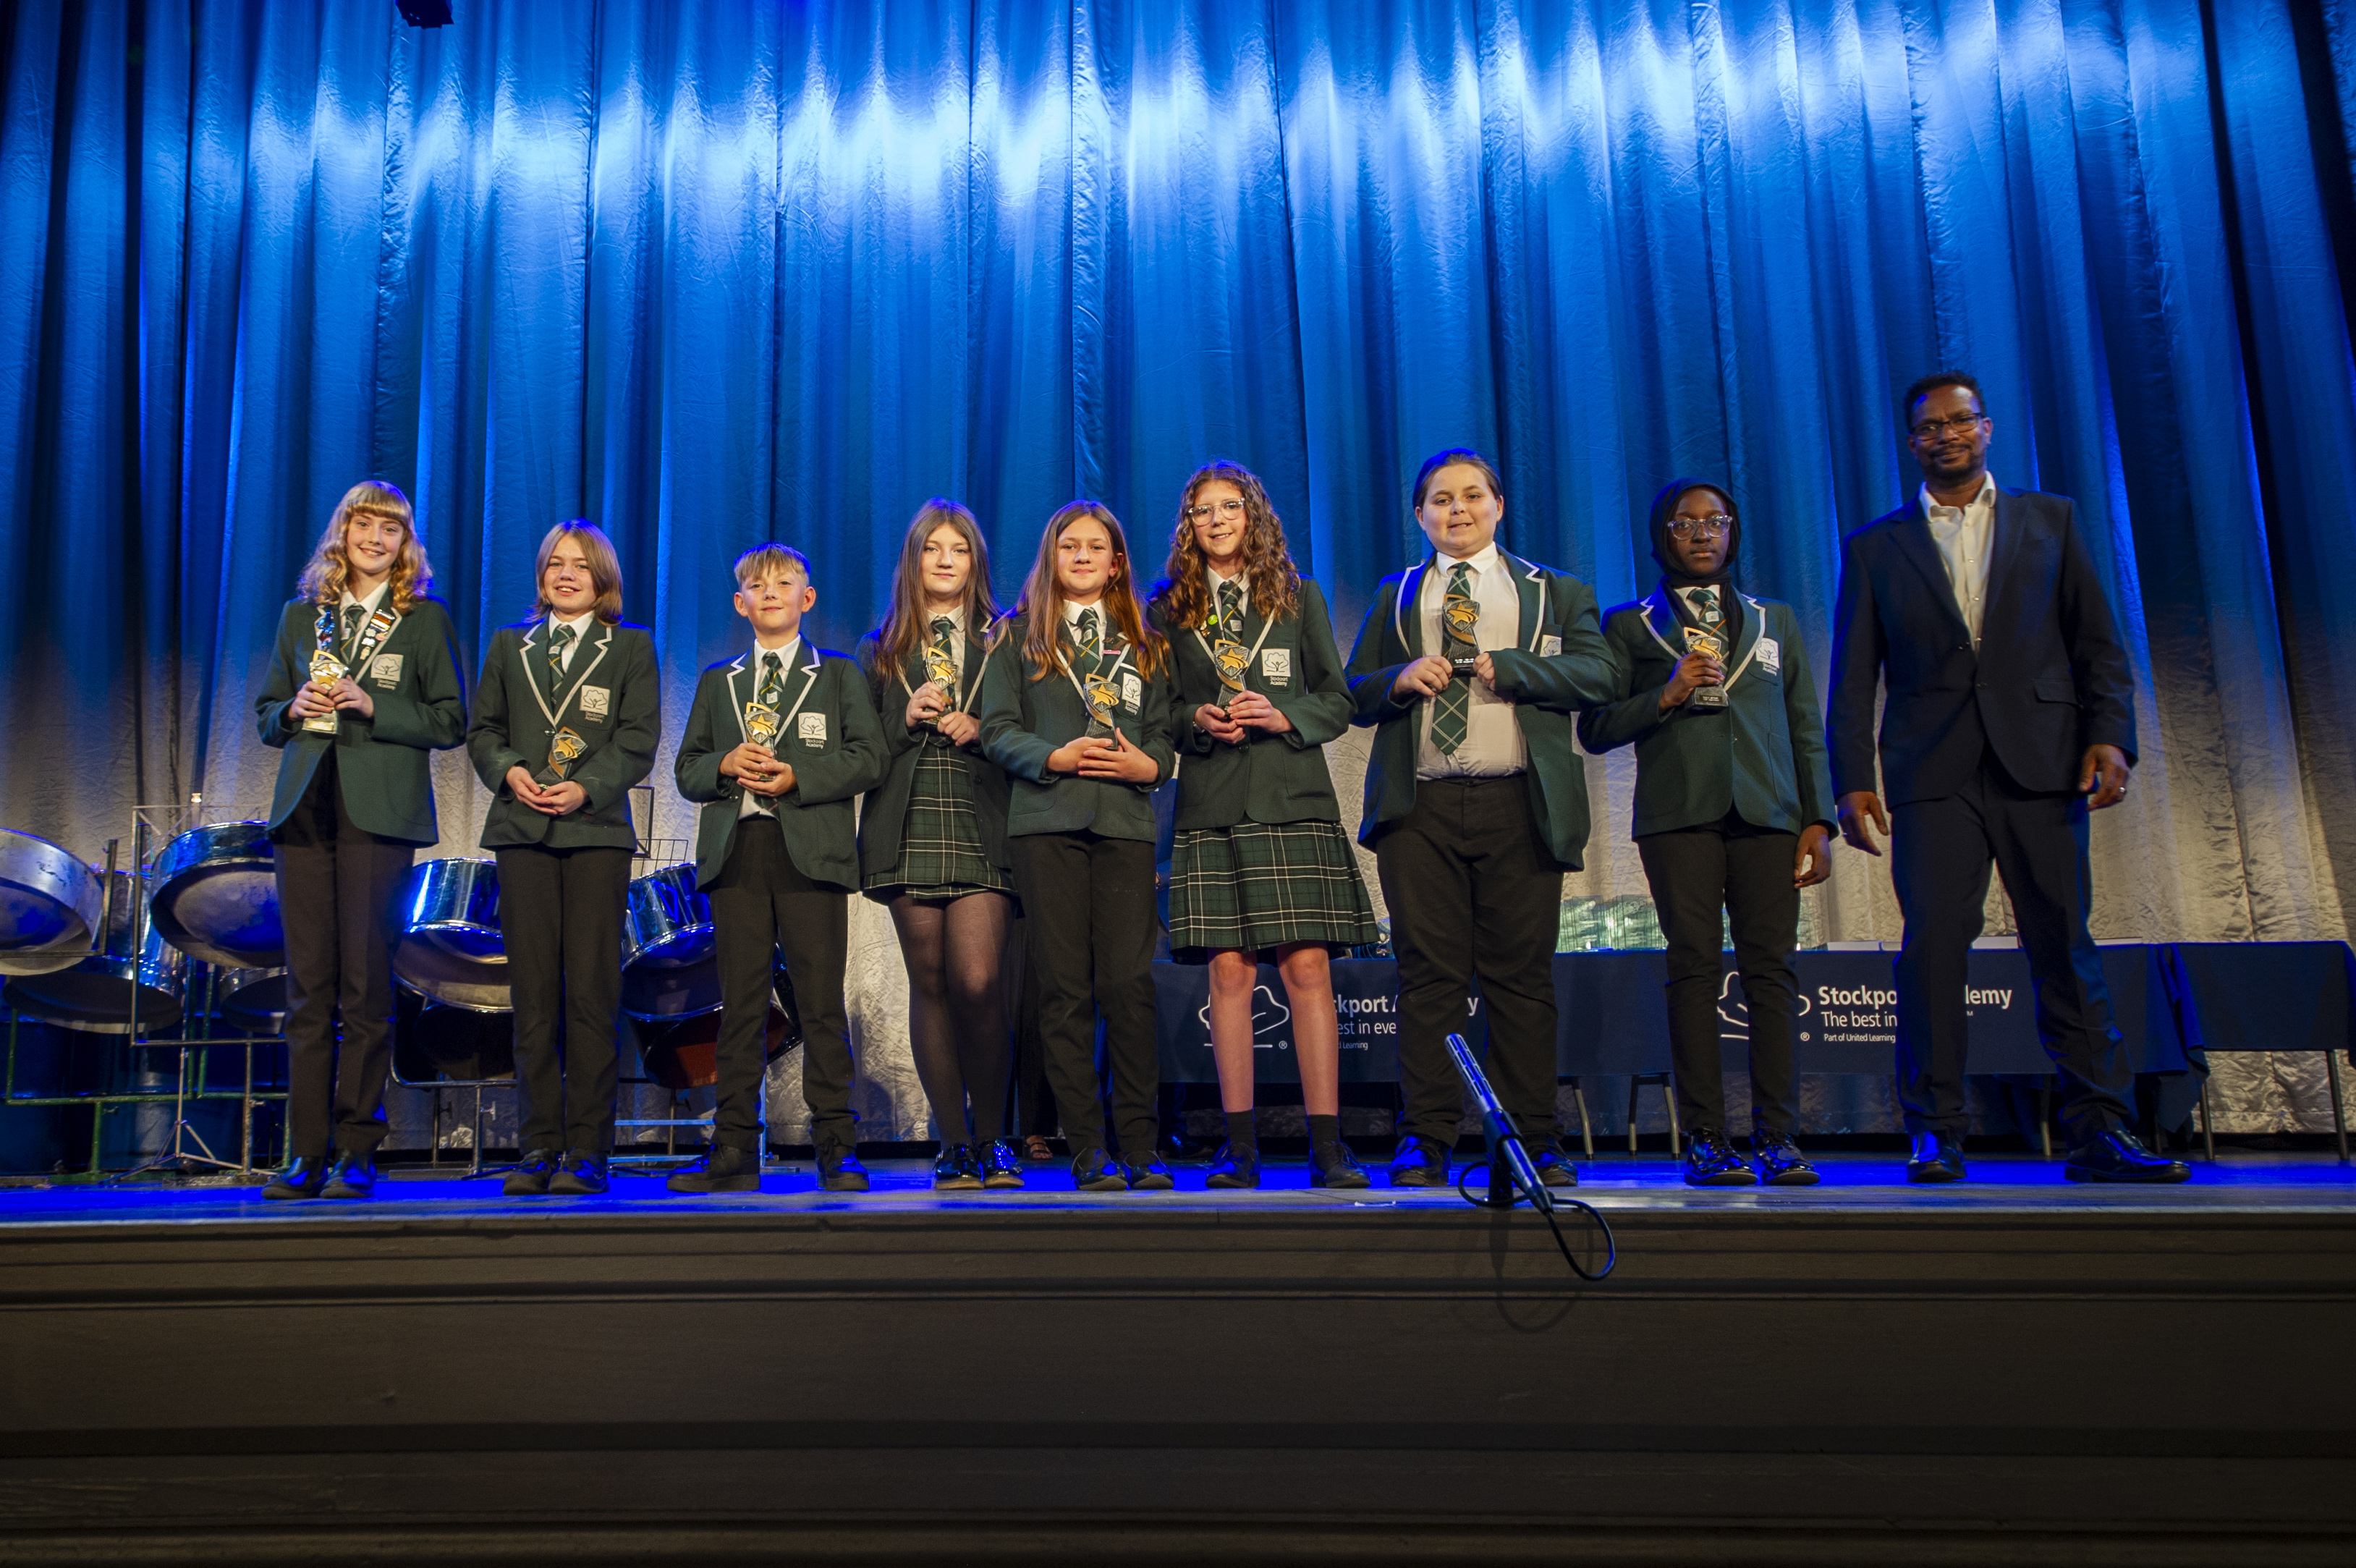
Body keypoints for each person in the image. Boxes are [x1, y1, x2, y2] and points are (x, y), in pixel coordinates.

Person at [1827, 370, 2187, 1183]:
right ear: (1911, 442)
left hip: (2042, 761)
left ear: (1985, 428)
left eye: (1960, 420)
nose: (1946, 435)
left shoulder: (2051, 518)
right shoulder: (1876, 546)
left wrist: (2112, 738)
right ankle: (1934, 1130)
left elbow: (2098, 645)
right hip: (1932, 771)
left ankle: (2101, 1128)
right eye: (1930, 427)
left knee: (2063, 943)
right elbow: (1852, 676)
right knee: (1931, 951)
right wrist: (1850, 778)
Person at [1344, 449, 1618, 1189]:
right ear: (1419, 514)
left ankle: (1533, 1137)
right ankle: (1425, 1136)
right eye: (1440, 499)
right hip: (1421, 808)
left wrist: (1518, 667)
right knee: (1426, 978)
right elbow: (1353, 692)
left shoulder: (1554, 590)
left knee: (1520, 979)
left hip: (1519, 801)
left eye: (1471, 495)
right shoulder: (1398, 593)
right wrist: (1399, 678)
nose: (1456, 509)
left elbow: (1601, 674)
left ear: (1499, 505)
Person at [1577, 480, 1835, 1187]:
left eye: (1714, 521)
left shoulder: (1774, 618)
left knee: (1771, 971)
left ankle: (1778, 1136)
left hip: (1768, 815)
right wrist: (1664, 693)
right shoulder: (1628, 625)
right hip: (1678, 816)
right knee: (1693, 968)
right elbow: (1595, 727)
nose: (1700, 533)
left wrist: (1818, 819)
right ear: (1661, 534)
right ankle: (1705, 1138)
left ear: (1732, 532)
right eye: (1684, 522)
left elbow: (1805, 725)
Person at [1146, 461, 1378, 1189]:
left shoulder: (1298, 596)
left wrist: (1284, 715)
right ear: (1188, 525)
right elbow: (1162, 713)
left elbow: (1336, 699)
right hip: (1213, 801)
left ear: (1253, 516)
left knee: (1308, 968)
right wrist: (1197, 719)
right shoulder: (1168, 609)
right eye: (1203, 510)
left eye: (1230, 506)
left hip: (1291, 798)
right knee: (1228, 971)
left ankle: (1327, 1145)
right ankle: (1239, 1146)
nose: (1217, 520)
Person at [254, 480, 467, 1200]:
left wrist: (375, 704)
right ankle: (305, 1151)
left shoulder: (424, 620)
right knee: (307, 989)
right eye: (364, 525)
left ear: (406, 543)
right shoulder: (301, 616)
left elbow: (450, 720)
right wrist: (292, 708)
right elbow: (265, 715)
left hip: (379, 816)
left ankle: (356, 1148)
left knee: (366, 986)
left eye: (390, 529)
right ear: (341, 534)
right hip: (305, 812)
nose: (375, 539)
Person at [665, 544, 888, 1194]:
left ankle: (836, 1144)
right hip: (739, 850)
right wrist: (723, 765)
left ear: (806, 598)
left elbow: (869, 758)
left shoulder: (837, 674)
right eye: (757, 586)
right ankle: (734, 1147)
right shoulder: (719, 681)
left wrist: (800, 777)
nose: (770, 593)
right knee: (740, 1005)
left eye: (784, 583)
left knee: (819, 1003)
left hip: (810, 851)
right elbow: (687, 769)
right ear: (740, 603)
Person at [978, 501, 1178, 1191]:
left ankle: (1142, 1146)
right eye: (1071, 545)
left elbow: (1163, 737)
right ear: (1051, 556)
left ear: (1117, 562)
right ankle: (1087, 1147)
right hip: (1047, 822)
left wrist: (1150, 766)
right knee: (1063, 989)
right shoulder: (1015, 636)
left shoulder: (1146, 642)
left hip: (1124, 824)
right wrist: (1053, 757)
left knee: (1128, 985)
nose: (1084, 556)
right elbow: (996, 729)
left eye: (1097, 546)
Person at [466, 520, 659, 1198]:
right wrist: (510, 770)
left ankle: (587, 1149)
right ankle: (538, 1144)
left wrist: (587, 786)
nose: (567, 574)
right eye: (556, 563)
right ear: (542, 575)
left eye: (580, 564)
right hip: (521, 831)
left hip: (595, 832)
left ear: (602, 579)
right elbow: (483, 730)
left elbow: (638, 739)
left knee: (591, 996)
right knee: (533, 998)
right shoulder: (508, 645)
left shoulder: (630, 646)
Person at [857, 500, 1022, 1192]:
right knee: (929, 982)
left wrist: (983, 729)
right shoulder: (881, 648)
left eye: (959, 548)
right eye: (933, 548)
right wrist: (903, 716)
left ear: (976, 561)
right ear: (914, 560)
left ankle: (995, 1136)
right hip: (908, 817)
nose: (946, 560)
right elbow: (861, 752)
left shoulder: (1007, 638)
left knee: (978, 982)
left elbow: (1029, 728)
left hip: (983, 814)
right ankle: (954, 1144)